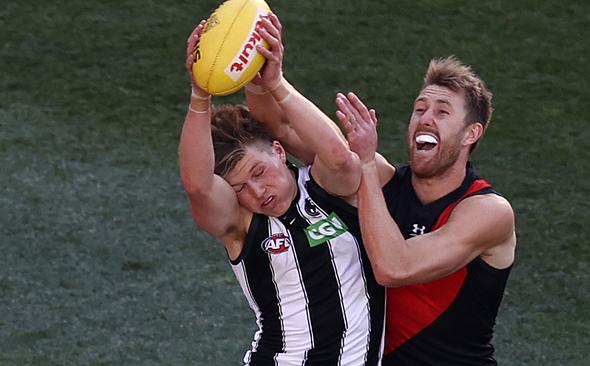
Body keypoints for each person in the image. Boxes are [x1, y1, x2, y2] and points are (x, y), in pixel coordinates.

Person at [179, 15, 385, 365]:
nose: (258, 192)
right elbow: (198, 187)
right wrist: (200, 94)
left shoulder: (326, 189)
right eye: (240, 187)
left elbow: (339, 155)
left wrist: (274, 82)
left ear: (278, 151)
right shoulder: (242, 225)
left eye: (259, 172)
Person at [334, 57, 517, 365]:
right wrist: (272, 85)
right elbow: (290, 131)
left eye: (442, 111)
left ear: (471, 134)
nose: (425, 118)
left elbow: (394, 268)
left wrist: (365, 164)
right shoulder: (387, 183)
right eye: (420, 109)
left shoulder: (489, 212)